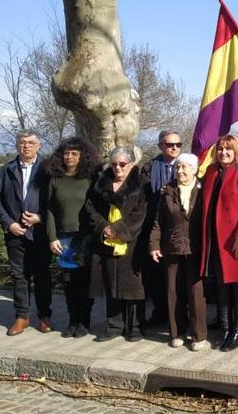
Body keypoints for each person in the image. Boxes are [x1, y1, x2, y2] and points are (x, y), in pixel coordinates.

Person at [199, 134, 238, 352]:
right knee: (221, 285)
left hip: (236, 240)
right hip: (214, 239)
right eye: (220, 149)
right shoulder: (211, 172)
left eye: (228, 149)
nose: (223, 153)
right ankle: (224, 328)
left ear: (236, 151)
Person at [148, 153, 211, 351]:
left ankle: (199, 336)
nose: (180, 171)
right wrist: (154, 245)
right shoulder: (168, 191)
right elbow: (158, 221)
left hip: (196, 249)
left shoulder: (203, 190)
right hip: (172, 247)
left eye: (184, 167)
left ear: (194, 169)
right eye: (178, 168)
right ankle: (176, 333)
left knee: (196, 293)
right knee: (173, 292)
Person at [0, 130, 54, 336]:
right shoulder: (5, 171)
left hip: (39, 232)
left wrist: (40, 217)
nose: (26, 146)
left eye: (30, 143)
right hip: (15, 233)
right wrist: (9, 223)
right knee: (19, 276)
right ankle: (22, 317)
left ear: (38, 146)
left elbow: (55, 201)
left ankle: (45, 316)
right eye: (22, 142)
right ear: (17, 145)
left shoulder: (49, 170)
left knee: (42, 275)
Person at [86, 147, 147, 342]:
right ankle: (114, 325)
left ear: (131, 164)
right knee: (111, 283)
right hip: (106, 242)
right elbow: (90, 208)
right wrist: (104, 227)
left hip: (132, 243)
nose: (118, 168)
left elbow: (141, 213)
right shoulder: (101, 183)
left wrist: (118, 230)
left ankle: (134, 326)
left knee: (133, 287)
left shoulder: (142, 184)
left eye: (122, 164)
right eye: (114, 164)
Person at [45, 137, 100, 338]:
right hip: (63, 239)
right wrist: (52, 237)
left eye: (74, 153)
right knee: (68, 282)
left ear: (82, 156)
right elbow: (49, 209)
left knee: (84, 281)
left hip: (85, 237)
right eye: (66, 153)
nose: (69, 157)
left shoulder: (89, 179)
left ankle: (84, 321)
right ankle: (72, 320)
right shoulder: (55, 179)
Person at [139, 130, 183, 327]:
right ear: (160, 146)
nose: (174, 148)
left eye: (178, 144)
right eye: (169, 144)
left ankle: (181, 315)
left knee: (178, 275)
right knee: (156, 274)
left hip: (178, 228)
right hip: (154, 226)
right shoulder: (149, 168)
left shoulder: (186, 166)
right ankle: (160, 311)